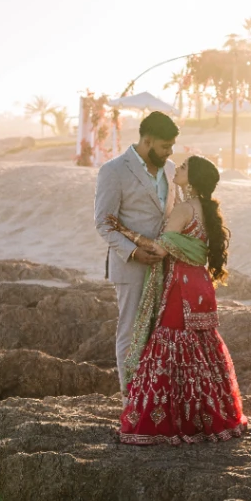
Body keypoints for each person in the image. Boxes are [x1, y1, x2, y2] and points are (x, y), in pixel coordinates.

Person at [102, 155, 246, 445]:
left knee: (172, 348)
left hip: (180, 286)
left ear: (191, 178)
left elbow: (159, 250)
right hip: (201, 285)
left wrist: (122, 231)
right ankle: (207, 416)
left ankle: (174, 420)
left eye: (182, 168)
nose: (176, 169)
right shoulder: (207, 208)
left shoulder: (183, 209)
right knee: (202, 350)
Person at [93, 110, 177, 388]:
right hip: (130, 267)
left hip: (166, 265)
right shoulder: (113, 170)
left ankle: (153, 399)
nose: (169, 152)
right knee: (130, 334)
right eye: (165, 146)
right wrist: (133, 251)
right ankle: (131, 402)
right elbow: (104, 223)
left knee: (161, 332)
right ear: (148, 140)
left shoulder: (171, 169)